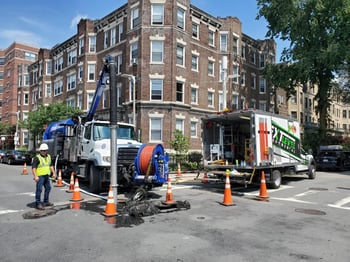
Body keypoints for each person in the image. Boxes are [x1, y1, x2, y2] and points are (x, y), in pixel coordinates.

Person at [32, 143, 57, 210]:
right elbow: (33, 168)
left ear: (47, 150)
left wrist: (54, 173)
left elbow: (51, 165)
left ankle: (46, 201)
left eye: (45, 150)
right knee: (39, 190)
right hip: (40, 176)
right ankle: (38, 204)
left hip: (46, 175)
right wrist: (35, 176)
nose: (44, 152)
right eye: (42, 150)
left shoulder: (48, 156)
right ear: (40, 151)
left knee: (48, 188)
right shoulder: (37, 158)